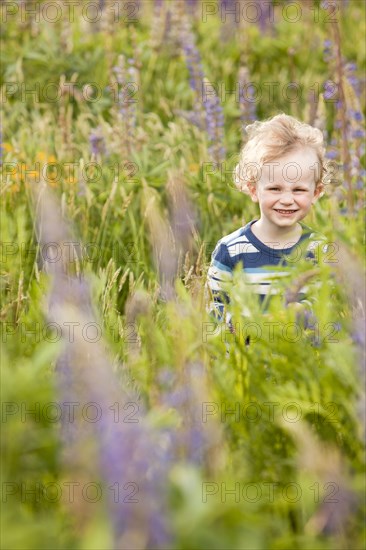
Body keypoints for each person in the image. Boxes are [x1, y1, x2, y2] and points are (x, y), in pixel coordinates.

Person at [205, 113, 329, 344]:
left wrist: (296, 317)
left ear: (316, 193)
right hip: (248, 369)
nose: (287, 199)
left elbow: (328, 303)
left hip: (301, 368)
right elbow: (215, 308)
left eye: (299, 190)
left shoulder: (319, 249)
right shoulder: (231, 249)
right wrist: (246, 326)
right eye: (274, 189)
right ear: (253, 190)